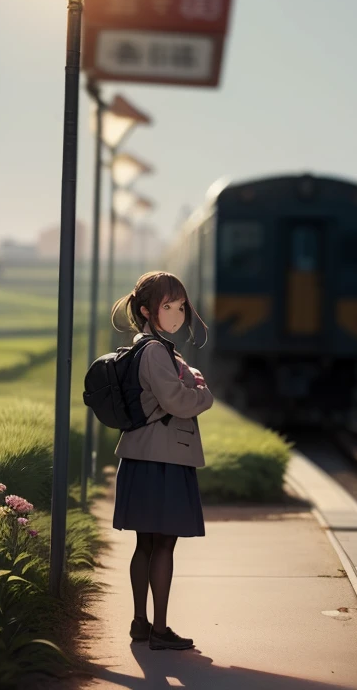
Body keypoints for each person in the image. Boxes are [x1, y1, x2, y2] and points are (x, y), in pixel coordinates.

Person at [110, 271, 213, 650]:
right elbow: (178, 402)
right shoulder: (156, 351)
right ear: (146, 310)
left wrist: (189, 381)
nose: (177, 314)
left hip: (141, 458)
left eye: (181, 306)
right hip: (163, 460)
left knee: (145, 545)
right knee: (163, 545)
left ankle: (141, 623)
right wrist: (203, 394)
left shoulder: (146, 347)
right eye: (167, 306)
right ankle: (159, 629)